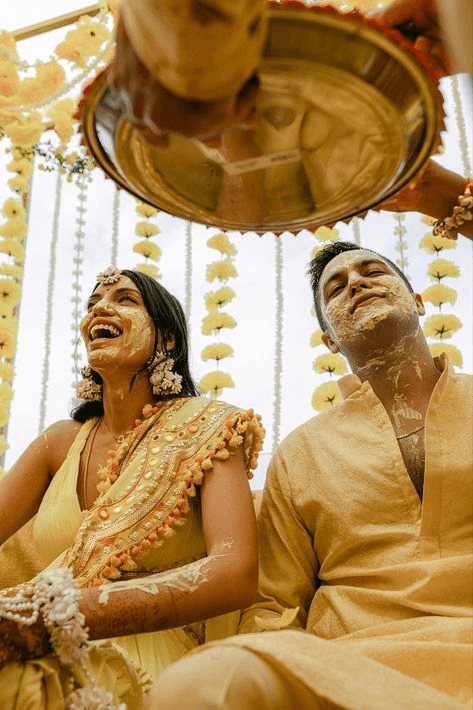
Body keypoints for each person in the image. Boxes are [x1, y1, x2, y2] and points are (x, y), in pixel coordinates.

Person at [147, 241, 473, 709]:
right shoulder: (301, 452)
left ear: (419, 302)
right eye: (336, 289)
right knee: (199, 683)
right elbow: (274, 604)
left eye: (372, 271)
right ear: (330, 342)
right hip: (348, 666)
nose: (356, 283)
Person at [0, 266, 264, 709]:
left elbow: (235, 574)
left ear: (168, 340)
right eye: (92, 304)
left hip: (152, 663)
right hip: (25, 640)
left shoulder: (208, 426)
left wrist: (60, 617)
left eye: (125, 299)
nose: (100, 308)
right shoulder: (57, 444)